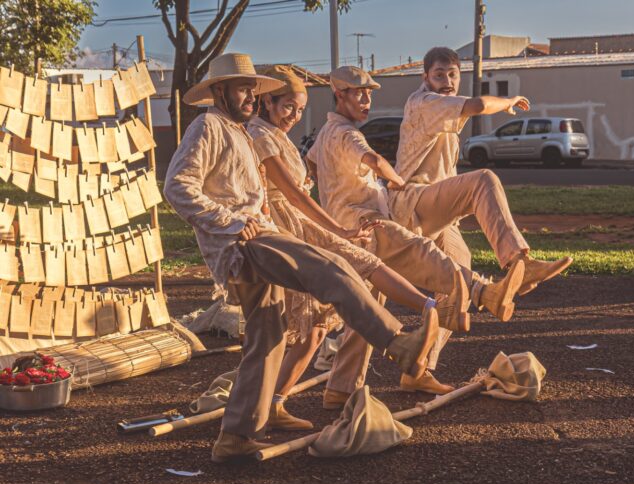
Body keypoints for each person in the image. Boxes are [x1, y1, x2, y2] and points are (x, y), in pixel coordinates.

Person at [163, 53, 439, 463]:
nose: (251, 97)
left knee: (268, 336)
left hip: (253, 235)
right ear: (218, 91)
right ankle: (396, 342)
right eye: (242, 88)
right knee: (330, 267)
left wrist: (253, 214)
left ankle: (236, 438)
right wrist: (233, 222)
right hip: (244, 243)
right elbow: (177, 187)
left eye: (253, 90)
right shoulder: (208, 126)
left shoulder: (239, 132)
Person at [247, 65, 466, 430]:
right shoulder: (263, 134)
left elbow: (310, 170)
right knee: (286, 325)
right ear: (266, 102)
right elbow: (295, 194)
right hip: (283, 231)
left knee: (317, 323)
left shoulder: (282, 135)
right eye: (287, 106)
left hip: (301, 225)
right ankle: (428, 317)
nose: (294, 116)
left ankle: (275, 403)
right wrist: (343, 221)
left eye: (299, 109)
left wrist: (330, 199)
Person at [307, 66, 526, 405]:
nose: (367, 101)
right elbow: (375, 159)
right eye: (359, 94)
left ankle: (341, 389)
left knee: (366, 305)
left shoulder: (325, 133)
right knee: (417, 251)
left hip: (354, 226)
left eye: (370, 94)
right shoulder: (347, 132)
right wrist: (396, 181)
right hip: (367, 222)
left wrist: (320, 196)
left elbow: (311, 167)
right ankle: (482, 292)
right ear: (340, 95)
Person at [390, 47, 572, 298]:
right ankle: (520, 262)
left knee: (460, 280)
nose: (447, 82)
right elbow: (479, 104)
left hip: (436, 210)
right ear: (426, 78)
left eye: (453, 75)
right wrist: (508, 101)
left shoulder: (445, 109)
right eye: (439, 75)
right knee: (483, 180)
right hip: (412, 205)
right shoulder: (424, 103)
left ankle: (431, 336)